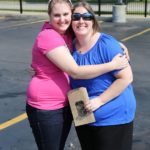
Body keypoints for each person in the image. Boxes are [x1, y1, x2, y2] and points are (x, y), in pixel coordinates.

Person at [25, 0, 129, 150]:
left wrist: (115, 44)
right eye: (57, 15)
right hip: (46, 107)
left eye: (66, 14)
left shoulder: (66, 33)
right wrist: (112, 65)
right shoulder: (49, 35)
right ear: (49, 16)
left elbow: (88, 32)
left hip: (68, 104)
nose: (62, 19)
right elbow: (75, 71)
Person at [70, 1, 136, 150]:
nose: (81, 21)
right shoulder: (69, 46)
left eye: (86, 16)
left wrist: (99, 100)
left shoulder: (107, 44)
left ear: (93, 20)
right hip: (84, 116)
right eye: (76, 17)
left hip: (113, 119)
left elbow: (126, 77)